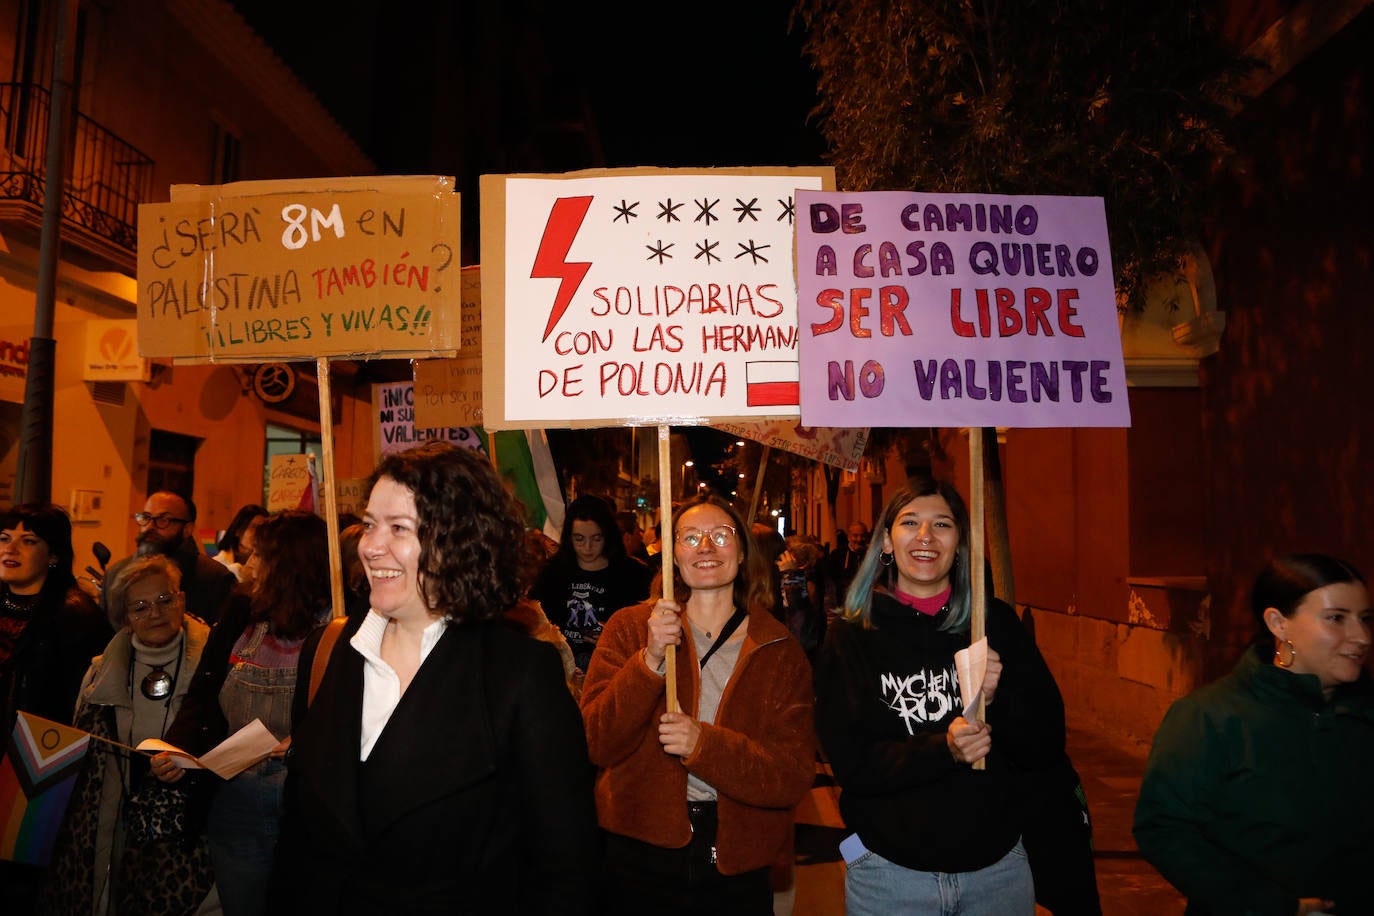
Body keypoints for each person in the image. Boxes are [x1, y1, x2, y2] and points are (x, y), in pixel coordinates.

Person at [272, 442, 598, 913]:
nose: (370, 546)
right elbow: (299, 829)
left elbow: (566, 870)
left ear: (459, 542)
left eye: (399, 528)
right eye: (369, 524)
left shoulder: (519, 675)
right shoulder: (333, 649)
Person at [814, 477, 1067, 916]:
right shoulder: (853, 636)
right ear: (887, 543)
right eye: (910, 522)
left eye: (942, 524)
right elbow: (851, 763)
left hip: (998, 873)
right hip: (890, 875)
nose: (925, 537)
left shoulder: (996, 625)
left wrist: (999, 696)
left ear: (960, 542)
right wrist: (942, 749)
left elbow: (1046, 744)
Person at [582, 494, 815, 915]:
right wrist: (649, 662)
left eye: (720, 535)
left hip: (736, 864)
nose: (705, 546)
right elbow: (595, 742)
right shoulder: (630, 628)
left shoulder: (778, 648)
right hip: (638, 856)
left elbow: (792, 775)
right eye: (690, 537)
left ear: (742, 551)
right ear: (672, 554)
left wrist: (704, 746)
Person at [1134, 554, 1373, 916]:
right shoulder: (1212, 716)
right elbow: (1164, 827)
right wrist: (1260, 904)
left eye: (1365, 619)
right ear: (1279, 623)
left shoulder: (1365, 713)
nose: (1361, 637)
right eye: (1336, 618)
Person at [152, 510, 330, 916]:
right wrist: (176, 750)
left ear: (290, 566)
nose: (248, 566)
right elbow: (204, 693)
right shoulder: (242, 613)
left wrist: (306, 741)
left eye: (258, 557)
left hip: (304, 808)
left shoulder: (338, 627)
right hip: (236, 801)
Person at [40, 556, 215, 916]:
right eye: (140, 606)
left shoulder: (216, 666)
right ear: (124, 617)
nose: (155, 613)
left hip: (192, 836)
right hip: (115, 824)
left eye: (165, 600)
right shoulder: (98, 672)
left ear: (182, 599)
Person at [0, 504, 113, 729]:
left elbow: (85, 705)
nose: (10, 549)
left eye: (28, 541)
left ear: (53, 555)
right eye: (4, 538)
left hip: (37, 746)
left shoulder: (76, 616)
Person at [531, 495, 652, 677]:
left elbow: (646, 634)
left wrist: (613, 640)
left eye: (596, 539)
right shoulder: (550, 574)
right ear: (568, 537)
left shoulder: (634, 575)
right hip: (560, 672)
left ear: (608, 536)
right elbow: (534, 622)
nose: (587, 548)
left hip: (613, 672)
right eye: (579, 539)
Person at [103, 492, 235, 625]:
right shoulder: (116, 573)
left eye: (163, 519)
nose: (150, 526)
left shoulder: (214, 577)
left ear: (187, 529)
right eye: (146, 517)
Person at [212, 504, 266, 582]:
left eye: (263, 528)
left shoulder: (268, 568)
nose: (259, 533)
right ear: (237, 530)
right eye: (254, 527)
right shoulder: (217, 565)